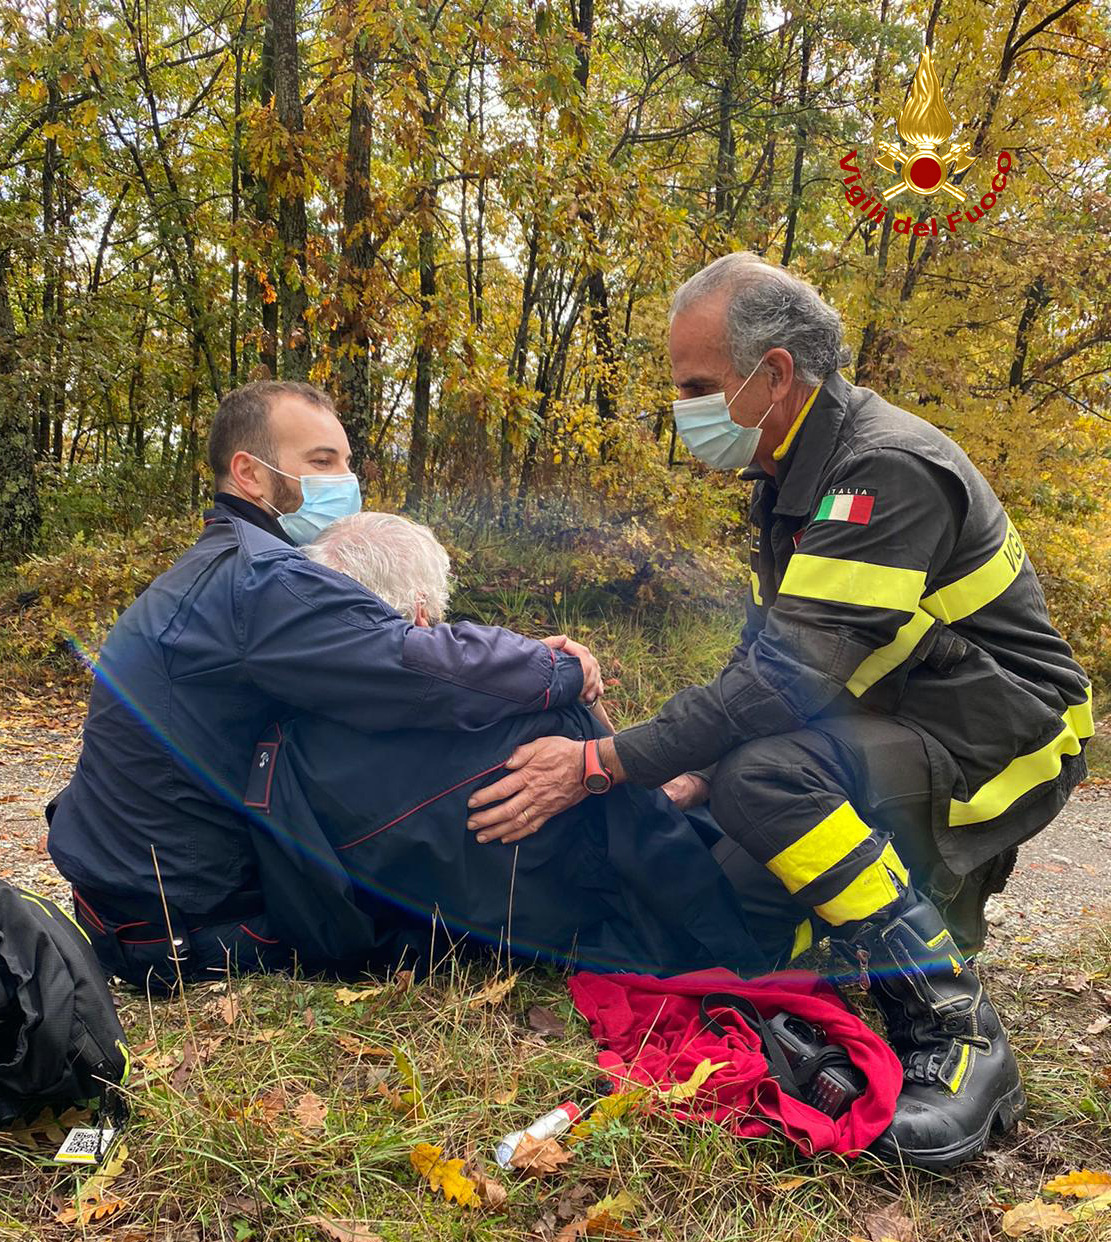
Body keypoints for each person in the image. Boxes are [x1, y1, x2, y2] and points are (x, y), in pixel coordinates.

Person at [463, 253, 1093, 1170]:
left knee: (764, 778)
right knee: (731, 866)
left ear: (774, 375)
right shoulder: (798, 470)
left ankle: (957, 1026)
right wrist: (684, 767)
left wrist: (603, 763)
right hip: (906, 712)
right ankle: (878, 932)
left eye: (696, 385)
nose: (683, 407)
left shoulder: (879, 470)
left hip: (1005, 731)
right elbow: (766, 654)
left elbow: (781, 688)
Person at [46, 381, 601, 988]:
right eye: (321, 462)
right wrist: (561, 669)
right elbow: (421, 671)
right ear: (249, 475)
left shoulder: (226, 564)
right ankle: (609, 907)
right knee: (510, 738)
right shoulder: (264, 580)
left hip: (128, 906)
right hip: (192, 926)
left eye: (344, 461)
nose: (345, 479)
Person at [238, 511, 766, 981]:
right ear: (423, 615)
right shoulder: (537, 729)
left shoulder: (279, 739)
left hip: (412, 950)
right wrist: (737, 958)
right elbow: (659, 854)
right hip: (583, 930)